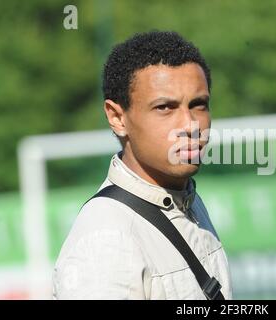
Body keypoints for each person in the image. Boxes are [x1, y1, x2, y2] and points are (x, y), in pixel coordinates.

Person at [53, 31, 232, 300]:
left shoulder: (187, 201)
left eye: (199, 105)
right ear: (117, 117)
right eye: (164, 108)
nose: (190, 124)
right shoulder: (107, 239)